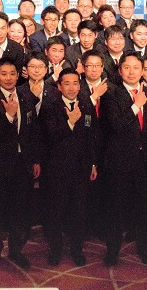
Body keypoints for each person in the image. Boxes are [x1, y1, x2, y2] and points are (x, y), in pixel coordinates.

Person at [99, 53, 147, 267]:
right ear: (120, 71)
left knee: (145, 208)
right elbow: (116, 126)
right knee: (116, 209)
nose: (132, 72)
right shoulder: (111, 95)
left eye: (136, 67)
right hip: (120, 161)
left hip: (146, 161)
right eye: (127, 67)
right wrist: (136, 106)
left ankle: (145, 249)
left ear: (142, 71)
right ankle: (112, 251)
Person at [0, 58, 42, 272]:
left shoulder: (26, 97)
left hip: (22, 164)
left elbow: (33, 131)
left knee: (20, 210)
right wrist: (9, 115)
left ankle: (16, 250)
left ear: (18, 75)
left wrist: (35, 159)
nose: (8, 78)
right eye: (4, 74)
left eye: (12, 74)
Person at [41, 69, 98, 267]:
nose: (72, 87)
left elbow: (92, 136)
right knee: (56, 212)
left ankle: (76, 250)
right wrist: (70, 122)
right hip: (57, 169)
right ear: (59, 86)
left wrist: (93, 163)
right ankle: (55, 250)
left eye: (75, 83)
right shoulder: (50, 106)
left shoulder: (86, 104)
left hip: (81, 168)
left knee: (79, 212)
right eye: (67, 83)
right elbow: (49, 136)